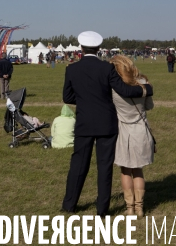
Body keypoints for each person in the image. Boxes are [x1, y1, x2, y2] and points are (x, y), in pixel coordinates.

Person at [61, 31, 152, 216]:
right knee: (104, 167)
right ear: (99, 48)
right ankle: (102, 209)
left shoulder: (71, 69)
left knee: (78, 164)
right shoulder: (106, 68)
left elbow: (67, 97)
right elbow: (125, 91)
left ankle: (69, 205)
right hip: (106, 124)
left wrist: (86, 100)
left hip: (84, 123)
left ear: (80, 48)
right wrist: (147, 89)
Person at [110, 55, 155, 218]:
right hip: (141, 129)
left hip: (123, 130)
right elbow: (149, 106)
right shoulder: (143, 83)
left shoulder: (114, 87)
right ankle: (140, 207)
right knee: (138, 170)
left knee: (125, 170)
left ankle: (129, 208)